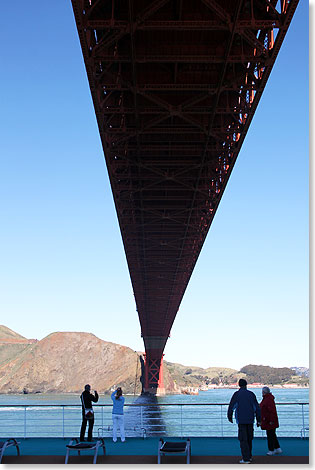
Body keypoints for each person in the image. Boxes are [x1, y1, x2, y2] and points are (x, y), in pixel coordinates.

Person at [227, 379, 261, 464]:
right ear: (246, 385)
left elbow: (232, 406)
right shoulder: (251, 394)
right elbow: (257, 408)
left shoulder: (236, 394)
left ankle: (245, 458)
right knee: (249, 438)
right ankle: (249, 456)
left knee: (243, 439)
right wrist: (258, 419)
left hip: (241, 420)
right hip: (250, 419)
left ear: (239, 385)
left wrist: (229, 416)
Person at [260, 386, 282, 455]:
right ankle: (277, 448)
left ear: (264, 392)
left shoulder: (268, 399)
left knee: (270, 435)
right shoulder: (268, 398)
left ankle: (271, 450)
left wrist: (271, 420)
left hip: (269, 420)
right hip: (268, 420)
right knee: (272, 434)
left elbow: (271, 411)